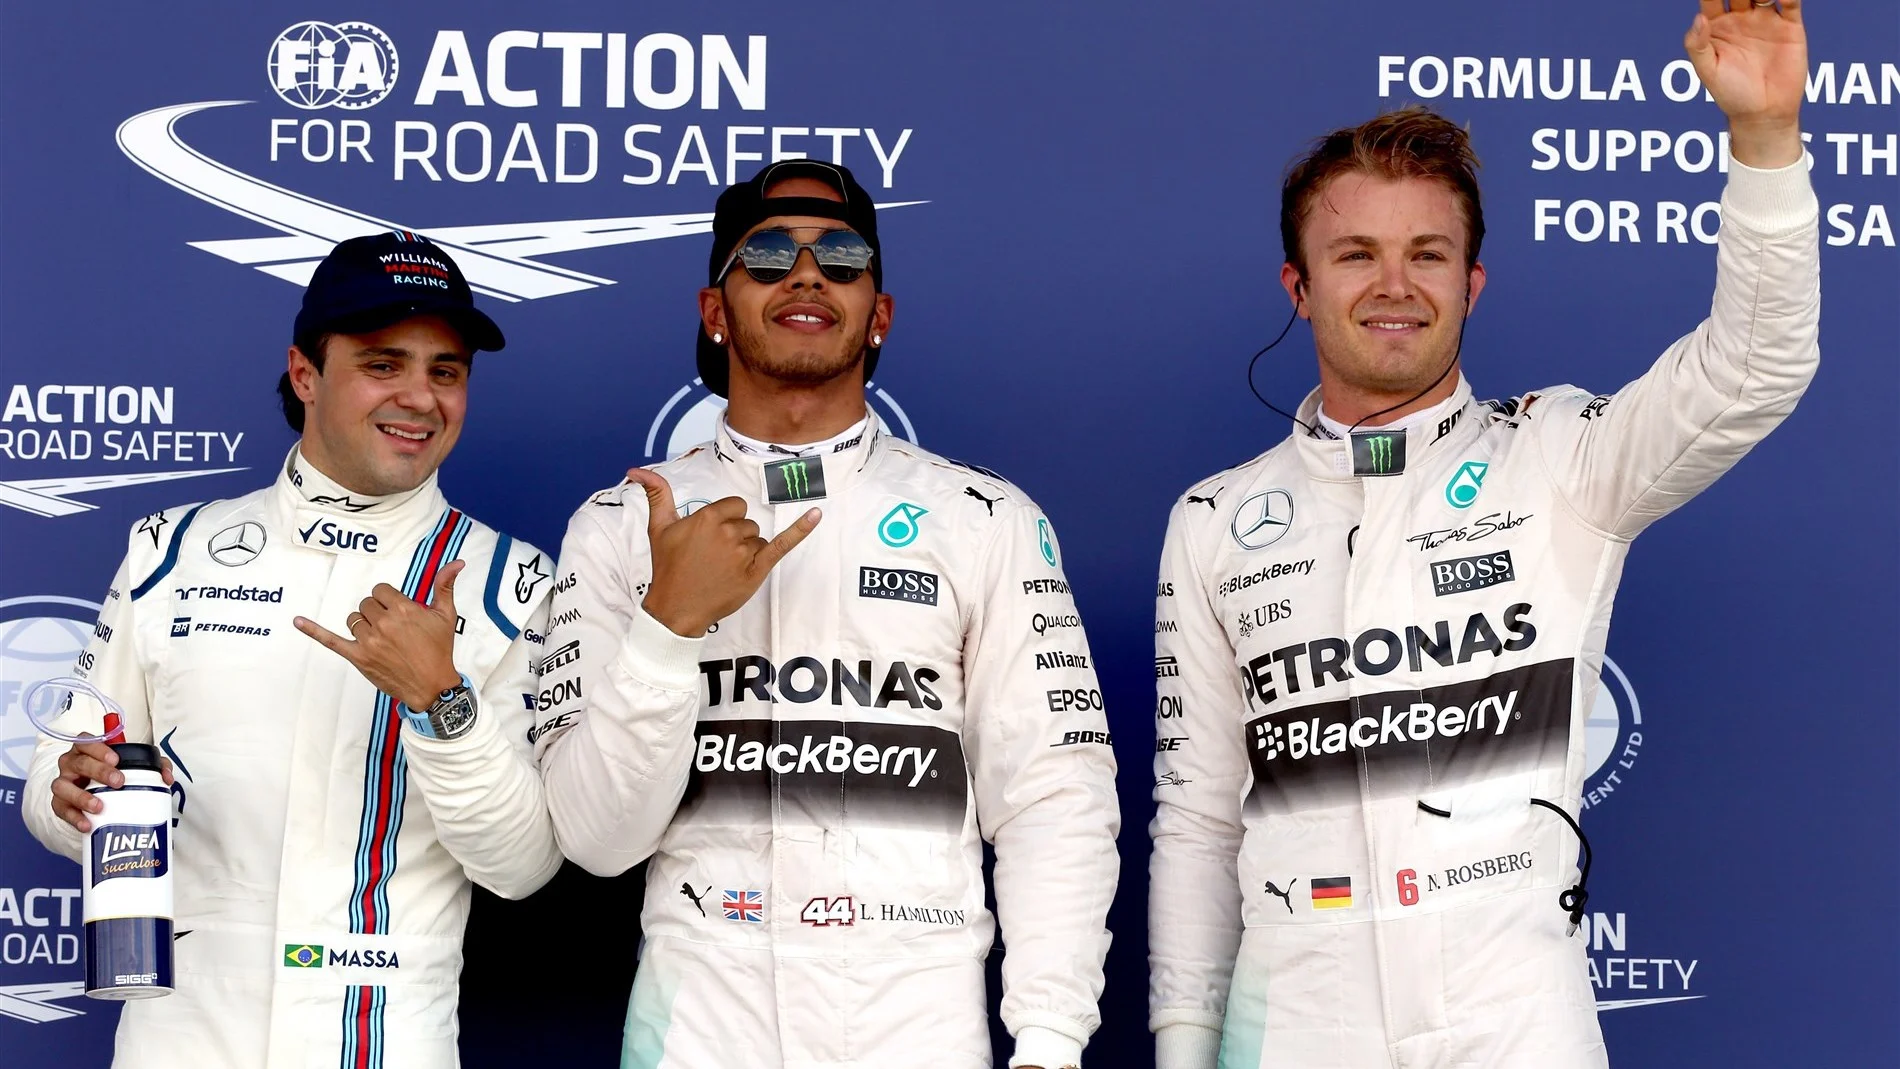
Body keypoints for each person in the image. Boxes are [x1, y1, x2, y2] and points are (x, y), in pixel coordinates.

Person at [1147, 4, 1817, 1067]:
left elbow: (1754, 369)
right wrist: (1183, 1045)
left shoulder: (1559, 458)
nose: (1393, 285)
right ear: (1298, 285)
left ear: (1471, 282)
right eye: (1355, 254)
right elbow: (1196, 822)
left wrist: (1767, 143)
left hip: (1515, 1018)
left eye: (1427, 254)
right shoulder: (1215, 519)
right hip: (1294, 1023)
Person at [534, 159, 1121, 1069]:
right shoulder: (622, 523)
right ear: (714, 310)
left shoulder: (986, 519)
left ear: (877, 313)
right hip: (695, 1029)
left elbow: (1056, 795)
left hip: (917, 1027)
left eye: (841, 257)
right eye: (766, 256)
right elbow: (597, 841)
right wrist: (666, 628)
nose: (806, 275)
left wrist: (1048, 1040)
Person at [23, 233, 563, 1069]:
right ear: (306, 373)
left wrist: (441, 704)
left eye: (445, 371)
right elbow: (54, 784)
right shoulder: (171, 549)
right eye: (384, 363)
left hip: (386, 1043)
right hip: (180, 1040)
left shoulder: (512, 581)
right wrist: (72, 799)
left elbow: (522, 865)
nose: (420, 397)